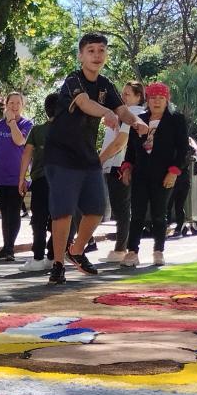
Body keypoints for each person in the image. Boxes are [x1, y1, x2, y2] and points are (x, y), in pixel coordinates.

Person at [43, 33, 149, 282]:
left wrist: (136, 122)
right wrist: (106, 113)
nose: (97, 55)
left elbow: (122, 109)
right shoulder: (72, 80)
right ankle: (58, 264)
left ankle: (76, 250)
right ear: (81, 56)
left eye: (101, 50)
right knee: (64, 212)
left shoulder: (106, 84)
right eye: (91, 50)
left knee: (97, 209)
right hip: (60, 154)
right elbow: (84, 103)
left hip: (87, 155)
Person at [123, 81, 189, 268]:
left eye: (161, 98)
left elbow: (183, 149)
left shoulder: (176, 120)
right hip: (141, 174)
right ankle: (132, 252)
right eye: (153, 98)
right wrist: (127, 167)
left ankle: (158, 250)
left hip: (164, 175)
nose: (157, 102)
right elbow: (130, 148)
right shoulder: (140, 118)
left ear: (167, 100)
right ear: (147, 100)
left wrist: (174, 172)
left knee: (160, 214)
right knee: (136, 214)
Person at [0, 93, 32, 260]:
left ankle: (10, 248)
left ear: (22, 105)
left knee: (14, 211)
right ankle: (6, 246)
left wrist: (11, 122)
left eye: (18, 103)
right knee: (5, 212)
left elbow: (20, 141)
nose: (14, 106)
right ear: (6, 104)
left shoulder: (27, 124)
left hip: (18, 177)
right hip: (0, 177)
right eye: (11, 103)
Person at [99, 81, 140, 265]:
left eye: (128, 95)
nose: (123, 98)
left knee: (121, 209)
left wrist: (98, 160)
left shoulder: (134, 114)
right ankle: (122, 247)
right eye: (122, 94)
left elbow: (119, 143)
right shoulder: (121, 114)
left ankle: (121, 249)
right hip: (114, 165)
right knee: (121, 209)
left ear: (139, 97)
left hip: (120, 166)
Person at [18, 93, 58, 271]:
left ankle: (37, 258)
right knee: (59, 219)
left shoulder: (37, 130)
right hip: (64, 181)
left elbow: (26, 154)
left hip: (41, 179)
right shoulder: (70, 131)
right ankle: (52, 255)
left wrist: (22, 179)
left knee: (39, 219)